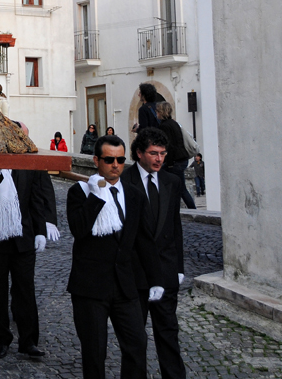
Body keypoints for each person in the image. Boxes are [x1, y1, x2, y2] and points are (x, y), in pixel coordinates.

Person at [66, 135, 148, 379]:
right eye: (109, 159)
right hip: (91, 287)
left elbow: (143, 240)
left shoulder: (134, 194)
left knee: (137, 345)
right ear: (96, 160)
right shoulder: (79, 192)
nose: (115, 164)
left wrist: (155, 279)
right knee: (94, 352)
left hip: (126, 286)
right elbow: (79, 230)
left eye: (120, 159)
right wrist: (96, 196)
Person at [123, 128, 187, 379]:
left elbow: (175, 227)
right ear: (139, 153)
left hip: (166, 271)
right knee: (134, 339)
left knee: (168, 334)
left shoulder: (172, 181)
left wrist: (179, 268)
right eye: (153, 153)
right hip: (135, 274)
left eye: (163, 153)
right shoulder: (125, 180)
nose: (159, 159)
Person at [0, 167, 48, 359]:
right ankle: (2, 337)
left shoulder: (28, 166)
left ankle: (28, 341)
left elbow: (36, 198)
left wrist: (40, 231)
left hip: (22, 237)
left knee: (25, 290)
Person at [155, 102, 197, 210]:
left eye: (158, 111)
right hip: (181, 159)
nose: (156, 113)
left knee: (178, 188)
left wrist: (168, 164)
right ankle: (189, 209)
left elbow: (169, 146)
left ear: (161, 112)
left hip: (175, 161)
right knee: (179, 187)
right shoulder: (174, 123)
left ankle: (175, 209)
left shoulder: (164, 126)